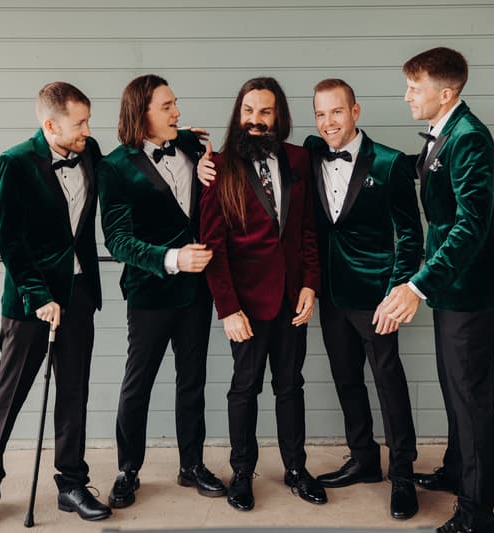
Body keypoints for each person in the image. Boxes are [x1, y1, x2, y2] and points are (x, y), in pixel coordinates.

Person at [0, 82, 111, 527]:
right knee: (8, 397)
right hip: (31, 302)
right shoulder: (15, 163)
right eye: (79, 122)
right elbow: (10, 240)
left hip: (80, 293)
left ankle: (71, 484)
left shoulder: (90, 151)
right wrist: (39, 296)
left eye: (88, 120)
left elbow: (125, 168)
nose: (87, 129)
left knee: (73, 392)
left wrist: (184, 145)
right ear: (50, 124)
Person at [377, 47, 494, 533]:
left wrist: (417, 285)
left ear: (445, 93)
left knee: (471, 401)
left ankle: (476, 516)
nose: (407, 95)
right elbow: (425, 168)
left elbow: (471, 227)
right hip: (450, 287)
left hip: (468, 286)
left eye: (415, 88)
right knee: (456, 389)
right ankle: (457, 470)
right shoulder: (446, 132)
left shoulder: (471, 138)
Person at [97, 74, 225, 509]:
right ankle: (127, 469)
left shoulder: (190, 145)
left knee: (193, 381)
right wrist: (172, 258)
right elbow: (117, 241)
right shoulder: (114, 167)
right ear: (142, 113)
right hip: (150, 294)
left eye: (176, 104)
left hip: (197, 294)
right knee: (139, 384)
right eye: (167, 106)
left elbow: (203, 165)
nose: (178, 113)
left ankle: (191, 465)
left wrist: (204, 153)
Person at [198, 77, 326, 511]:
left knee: (291, 386)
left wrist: (311, 283)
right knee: (244, 388)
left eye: (265, 111)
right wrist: (228, 309)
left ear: (279, 116)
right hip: (246, 307)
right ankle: (242, 472)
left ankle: (295, 468)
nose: (256, 120)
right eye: (249, 111)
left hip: (293, 300)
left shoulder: (299, 159)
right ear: (239, 114)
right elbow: (213, 247)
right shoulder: (218, 166)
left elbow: (307, 229)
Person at [304, 78, 423, 520]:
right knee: (346, 378)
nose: (328, 122)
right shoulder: (311, 153)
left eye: (336, 111)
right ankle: (364, 458)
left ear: (356, 111)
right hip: (331, 294)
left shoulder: (390, 163)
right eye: (320, 113)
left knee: (389, 382)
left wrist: (398, 289)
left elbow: (411, 234)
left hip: (376, 296)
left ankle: (404, 475)